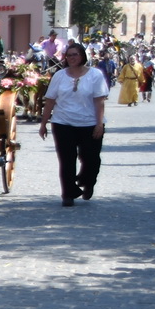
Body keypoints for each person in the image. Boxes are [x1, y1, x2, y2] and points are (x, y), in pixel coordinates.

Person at [40, 41, 108, 206]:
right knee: (66, 160)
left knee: (91, 159)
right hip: (63, 123)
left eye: (75, 55)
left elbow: (99, 101)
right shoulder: (59, 76)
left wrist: (99, 124)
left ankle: (88, 182)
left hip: (89, 123)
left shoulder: (95, 75)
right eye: (69, 55)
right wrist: (43, 124)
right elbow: (50, 101)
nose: (71, 58)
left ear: (82, 56)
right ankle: (68, 193)